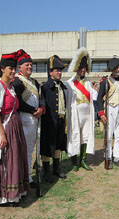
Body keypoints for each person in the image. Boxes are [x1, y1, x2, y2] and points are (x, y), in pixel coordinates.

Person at [0, 51, 29, 206]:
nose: (13, 71)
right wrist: (2, 135)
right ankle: (4, 196)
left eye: (14, 68)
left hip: (15, 126)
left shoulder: (11, 87)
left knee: (15, 159)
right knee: (5, 160)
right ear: (2, 68)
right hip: (4, 126)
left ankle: (15, 193)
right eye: (10, 68)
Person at [12, 49, 45, 188]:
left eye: (31, 65)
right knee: (22, 150)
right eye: (27, 65)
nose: (30, 67)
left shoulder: (35, 82)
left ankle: (28, 178)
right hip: (24, 118)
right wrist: (33, 110)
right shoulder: (17, 82)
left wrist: (41, 109)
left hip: (34, 119)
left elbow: (41, 98)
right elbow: (18, 102)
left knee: (30, 149)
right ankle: (21, 177)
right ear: (20, 68)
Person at [97, 58, 119, 169]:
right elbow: (98, 99)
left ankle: (117, 157)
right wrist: (101, 113)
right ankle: (109, 157)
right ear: (112, 69)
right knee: (109, 136)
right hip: (109, 109)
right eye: (116, 68)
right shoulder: (105, 82)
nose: (118, 69)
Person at [65, 48, 95, 171]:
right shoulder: (69, 83)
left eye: (84, 68)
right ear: (76, 68)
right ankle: (74, 160)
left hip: (87, 114)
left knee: (85, 137)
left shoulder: (89, 83)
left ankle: (82, 160)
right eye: (81, 68)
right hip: (75, 114)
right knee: (75, 136)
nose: (83, 70)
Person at [40, 55, 67, 183]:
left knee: (58, 145)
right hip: (49, 121)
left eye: (61, 71)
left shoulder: (62, 85)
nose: (60, 73)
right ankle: (46, 171)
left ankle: (56, 168)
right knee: (47, 146)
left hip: (60, 120)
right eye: (57, 71)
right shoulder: (45, 87)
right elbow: (43, 103)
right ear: (51, 73)